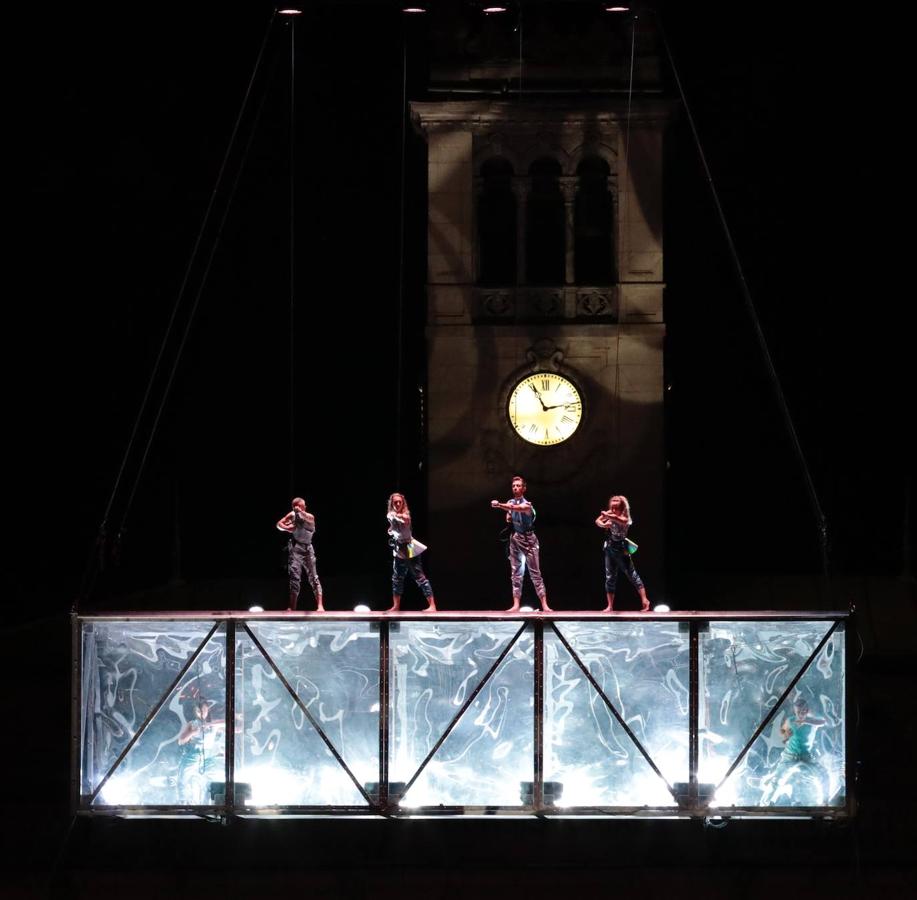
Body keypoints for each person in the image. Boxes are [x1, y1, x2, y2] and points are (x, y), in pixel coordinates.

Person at [490, 475, 551, 612]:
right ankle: (516, 605)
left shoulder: (527, 505)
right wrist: (509, 517)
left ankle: (544, 605)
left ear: (524, 488)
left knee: (535, 573)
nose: (516, 488)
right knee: (516, 573)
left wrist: (500, 505)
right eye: (514, 486)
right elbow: (510, 513)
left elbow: (516, 508)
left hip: (529, 540)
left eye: (518, 486)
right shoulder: (511, 502)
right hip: (515, 539)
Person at [760, 696, 831, 806]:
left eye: (803, 711)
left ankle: (825, 803)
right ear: (795, 711)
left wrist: (806, 720)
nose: (800, 714)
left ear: (807, 710)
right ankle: (765, 805)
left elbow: (823, 722)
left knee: (823, 775)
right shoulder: (791, 720)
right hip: (789, 756)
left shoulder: (812, 721)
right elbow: (783, 733)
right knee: (776, 781)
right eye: (798, 711)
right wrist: (785, 735)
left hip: (806, 756)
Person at [595, 495, 650, 611]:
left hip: (621, 549)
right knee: (610, 577)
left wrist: (607, 516)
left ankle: (645, 600)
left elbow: (619, 520)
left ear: (622, 508)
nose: (613, 510)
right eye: (612, 508)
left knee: (631, 574)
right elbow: (597, 521)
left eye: (616, 508)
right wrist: (604, 524)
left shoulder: (626, 518)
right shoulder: (611, 513)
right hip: (610, 547)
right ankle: (610, 606)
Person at [386, 493, 436, 612]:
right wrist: (391, 529)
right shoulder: (390, 515)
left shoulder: (406, 514)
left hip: (409, 547)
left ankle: (432, 606)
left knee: (419, 576)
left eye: (400, 502)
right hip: (399, 548)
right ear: (392, 503)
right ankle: (396, 606)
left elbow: (406, 519)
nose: (398, 504)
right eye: (395, 502)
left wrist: (396, 515)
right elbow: (393, 525)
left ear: (403, 503)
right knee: (397, 578)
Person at [276, 497, 324, 611]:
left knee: (314, 577)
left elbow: (306, 520)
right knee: (294, 578)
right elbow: (278, 524)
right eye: (303, 505)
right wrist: (288, 528)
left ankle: (320, 606)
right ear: (297, 506)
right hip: (296, 548)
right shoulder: (292, 515)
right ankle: (292, 606)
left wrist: (300, 512)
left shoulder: (310, 516)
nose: (306, 507)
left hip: (308, 549)